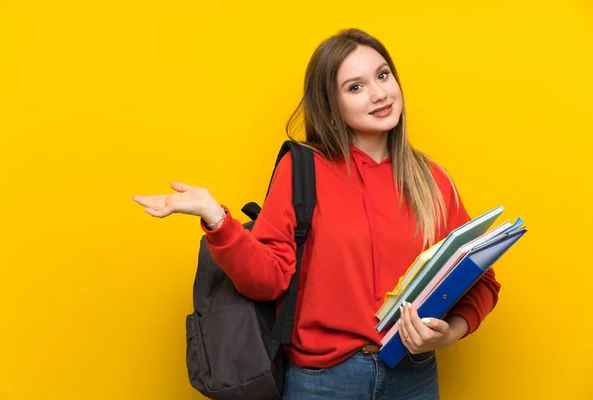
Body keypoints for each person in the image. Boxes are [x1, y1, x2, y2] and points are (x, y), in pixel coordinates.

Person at [132, 28, 501, 400]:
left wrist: (450, 332)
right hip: (324, 382)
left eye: (382, 75)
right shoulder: (302, 169)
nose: (378, 94)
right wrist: (216, 218)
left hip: (413, 376)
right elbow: (267, 280)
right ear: (331, 102)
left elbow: (480, 279)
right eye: (354, 87)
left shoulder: (432, 179)